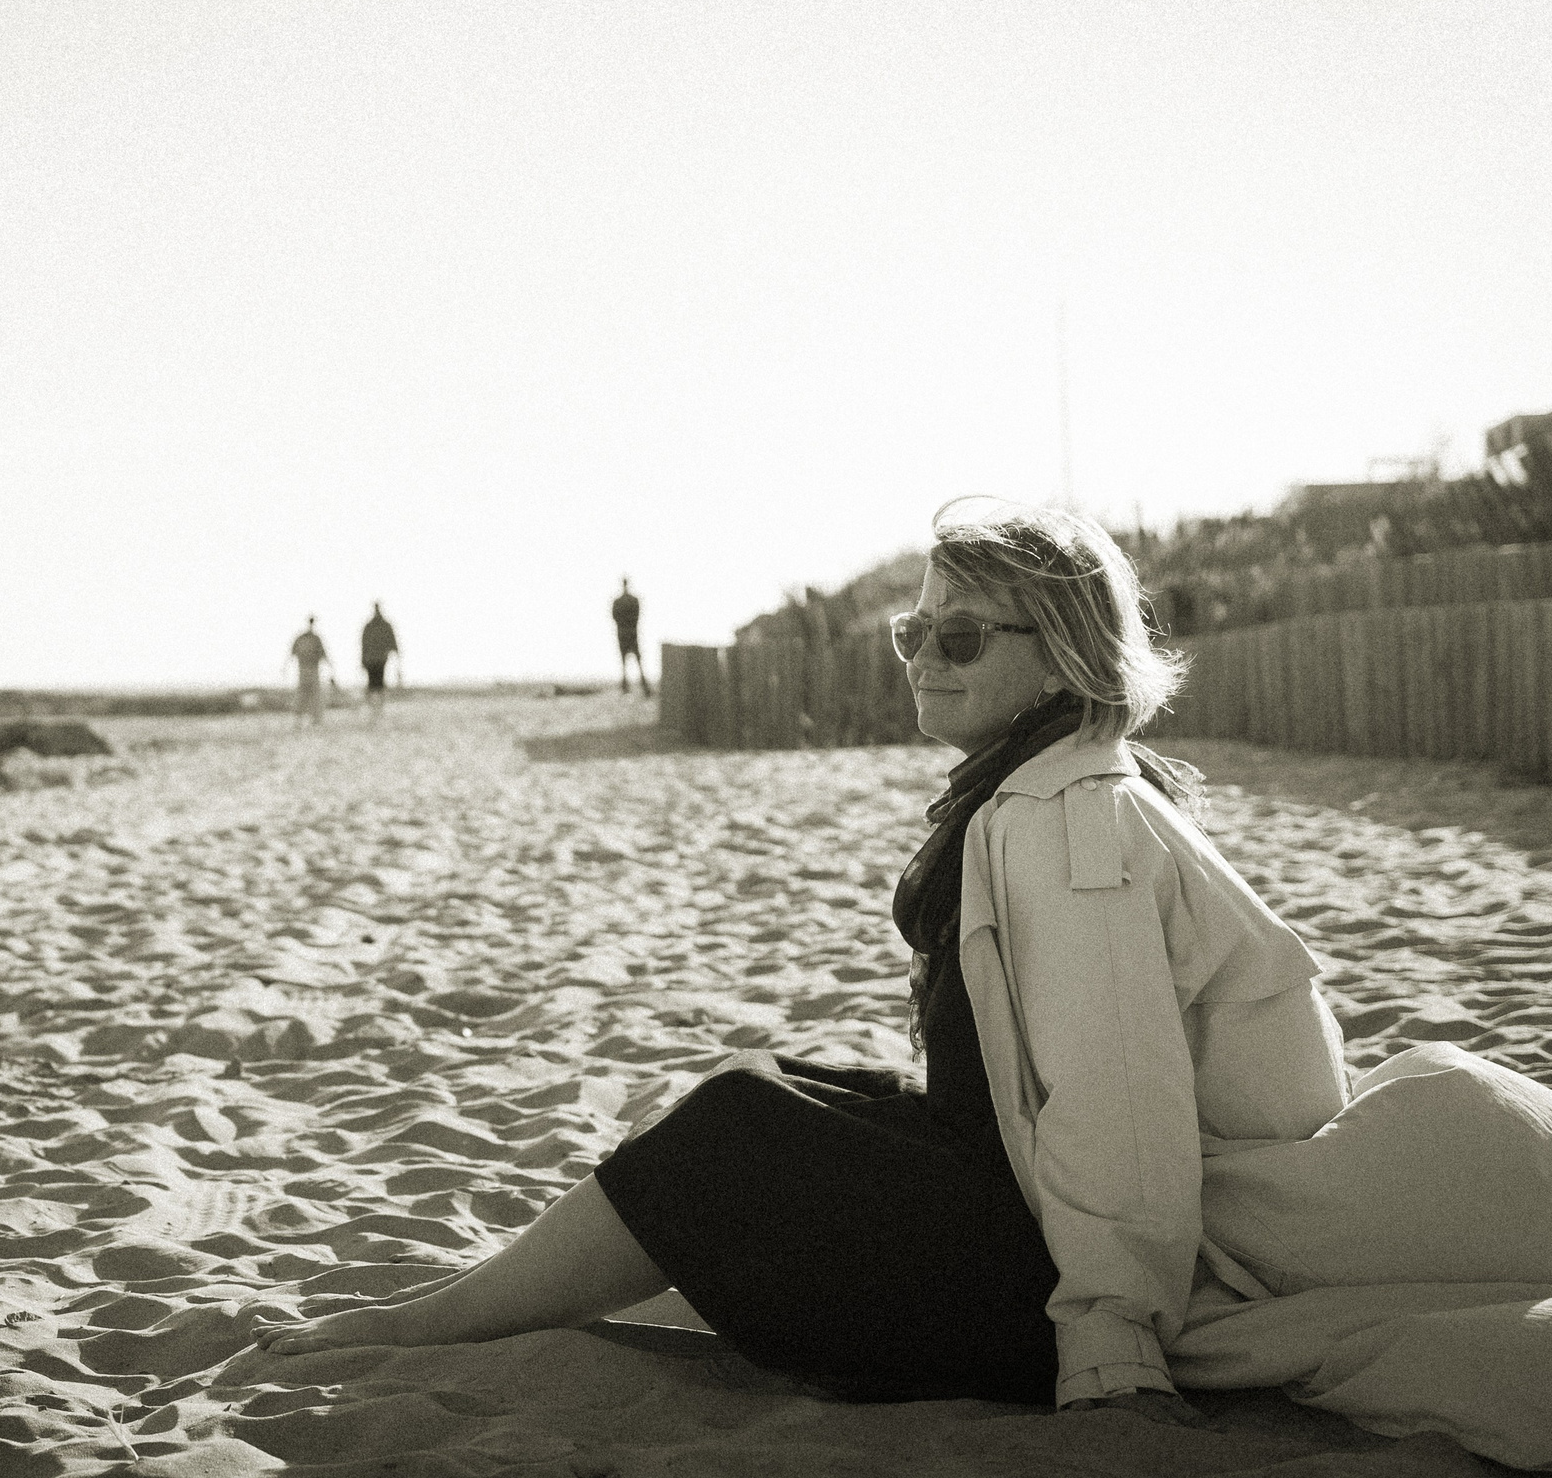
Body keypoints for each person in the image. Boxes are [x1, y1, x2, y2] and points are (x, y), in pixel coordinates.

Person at [255, 500, 1346, 1421]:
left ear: (1063, 656)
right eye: (912, 631)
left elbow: (1121, 1105)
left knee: (736, 1128)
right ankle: (483, 1302)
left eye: (960, 639)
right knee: (793, 1087)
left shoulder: (1071, 825)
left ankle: (435, 1323)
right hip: (1056, 1217)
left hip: (1111, 1278)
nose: (924, 657)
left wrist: (1114, 1353)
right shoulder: (1051, 783)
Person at [285, 617, 333, 727]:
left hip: (304, 670)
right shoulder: (314, 638)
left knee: (304, 695)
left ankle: (302, 719)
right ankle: (312, 720)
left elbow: (292, 653)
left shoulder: (302, 638)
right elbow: (323, 654)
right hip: (310, 670)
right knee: (312, 695)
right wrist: (331, 667)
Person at [359, 604, 401, 721]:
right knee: (373, 686)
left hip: (380, 660)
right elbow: (364, 644)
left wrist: (396, 656)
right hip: (372, 661)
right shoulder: (371, 626)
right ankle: (373, 710)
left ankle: (378, 710)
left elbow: (392, 641)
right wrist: (363, 660)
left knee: (378, 686)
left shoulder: (382, 625)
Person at [612, 579, 650, 697]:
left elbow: (615, 616)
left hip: (625, 634)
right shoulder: (632, 601)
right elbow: (635, 615)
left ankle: (630, 688)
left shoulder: (619, 601)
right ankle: (641, 688)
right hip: (630, 633)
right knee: (633, 662)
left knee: (628, 662)